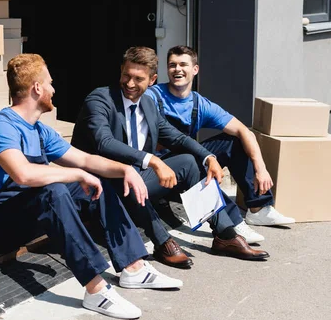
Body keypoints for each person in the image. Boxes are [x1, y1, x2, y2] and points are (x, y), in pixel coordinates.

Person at [0, 53, 183, 320]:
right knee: (55, 190)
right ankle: (96, 289)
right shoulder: (0, 126)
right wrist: (76, 174)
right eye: (50, 83)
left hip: (20, 212)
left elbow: (85, 159)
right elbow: (22, 174)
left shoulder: (39, 130)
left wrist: (125, 170)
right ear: (37, 88)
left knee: (96, 182)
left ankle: (133, 267)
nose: (54, 89)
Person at [71, 46, 269, 270]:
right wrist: (153, 161)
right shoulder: (100, 99)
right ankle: (162, 242)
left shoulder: (148, 104)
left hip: (135, 179)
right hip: (97, 184)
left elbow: (176, 138)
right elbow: (103, 142)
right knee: (129, 174)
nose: (130, 83)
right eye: (126, 75)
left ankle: (224, 234)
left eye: (139, 78)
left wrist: (209, 157)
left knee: (188, 162)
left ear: (152, 80)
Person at [146, 45, 295, 243]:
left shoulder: (200, 104)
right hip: (159, 171)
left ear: (195, 69)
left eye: (183, 64)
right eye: (172, 65)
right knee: (192, 160)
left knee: (234, 141)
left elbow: (244, 131)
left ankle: (259, 208)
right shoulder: (152, 96)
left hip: (187, 164)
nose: (177, 69)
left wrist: (261, 169)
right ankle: (233, 223)